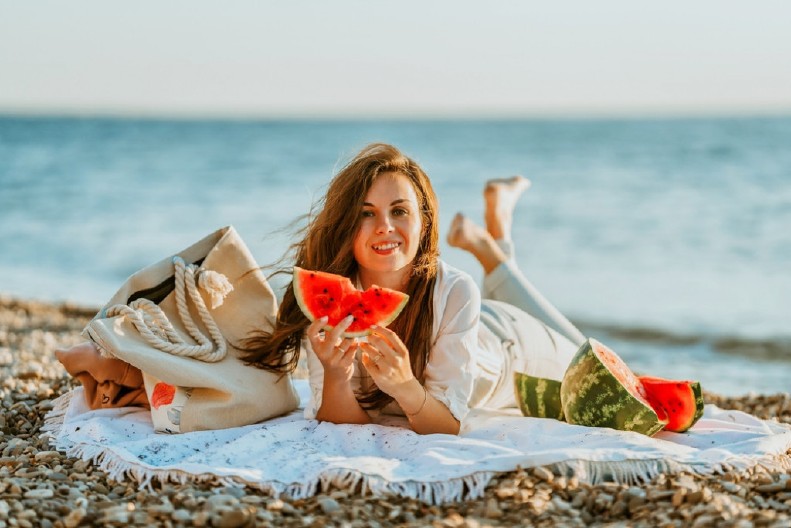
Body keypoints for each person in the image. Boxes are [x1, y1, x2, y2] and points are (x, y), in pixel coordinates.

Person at [243, 143, 587, 435]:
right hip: (475, 321)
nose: (385, 227)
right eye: (366, 214)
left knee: (590, 358)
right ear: (345, 225)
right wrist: (335, 375)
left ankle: (490, 246)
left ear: (424, 223)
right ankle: (494, 234)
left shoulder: (455, 291)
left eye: (399, 211)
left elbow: (447, 425)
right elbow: (338, 422)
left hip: (512, 350)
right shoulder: (329, 299)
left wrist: (404, 386)